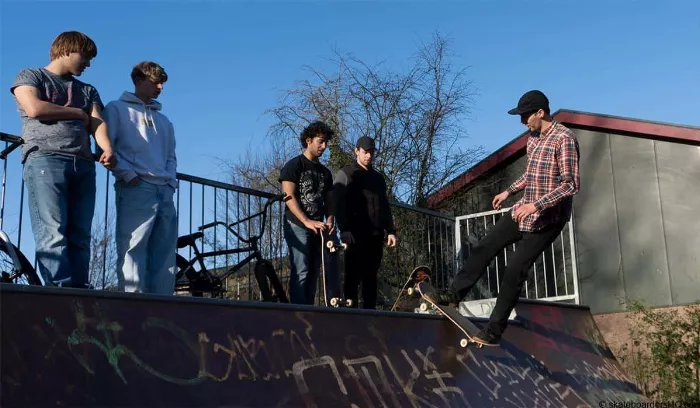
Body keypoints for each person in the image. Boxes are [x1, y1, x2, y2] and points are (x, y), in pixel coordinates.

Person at [448, 90, 580, 345]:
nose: (522, 122)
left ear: (540, 112)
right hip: (523, 210)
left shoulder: (564, 138)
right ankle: (452, 295)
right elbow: (531, 175)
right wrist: (508, 191)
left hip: (549, 219)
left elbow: (570, 185)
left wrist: (536, 206)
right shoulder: (533, 139)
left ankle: (493, 331)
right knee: (486, 245)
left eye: (525, 117)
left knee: (514, 270)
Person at [10, 31, 116, 288]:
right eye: (85, 57)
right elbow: (35, 108)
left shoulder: (88, 89)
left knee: (80, 236)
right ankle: (59, 296)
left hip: (83, 165)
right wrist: (77, 114)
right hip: (46, 160)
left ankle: (80, 295)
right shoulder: (31, 75)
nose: (88, 64)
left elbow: (97, 121)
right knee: (52, 234)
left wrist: (107, 148)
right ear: (67, 50)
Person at [102, 61, 177, 295]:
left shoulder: (164, 121)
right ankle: (133, 306)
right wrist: (128, 175)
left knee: (165, 251)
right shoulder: (116, 109)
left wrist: (170, 182)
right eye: (155, 81)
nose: (161, 87)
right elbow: (106, 146)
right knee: (132, 247)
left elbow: (171, 156)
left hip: (163, 189)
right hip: (136, 187)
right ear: (138, 80)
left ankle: (161, 306)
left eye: (162, 82)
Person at [333, 136, 397, 309]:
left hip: (375, 235)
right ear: (356, 151)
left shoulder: (378, 178)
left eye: (371, 152)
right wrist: (344, 229)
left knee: (371, 278)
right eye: (365, 152)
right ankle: (350, 316)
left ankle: (370, 315)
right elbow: (338, 204)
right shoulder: (346, 173)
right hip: (354, 234)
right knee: (352, 277)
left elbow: (384, 205)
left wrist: (390, 230)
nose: (368, 156)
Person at [278, 121, 336, 305]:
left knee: (314, 272)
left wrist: (330, 220)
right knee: (301, 269)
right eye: (320, 141)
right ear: (308, 140)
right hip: (297, 225)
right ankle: (297, 314)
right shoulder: (294, 165)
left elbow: (330, 201)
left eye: (326, 142)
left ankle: (309, 313)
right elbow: (288, 196)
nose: (324, 146)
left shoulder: (325, 173)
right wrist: (306, 221)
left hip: (318, 227)